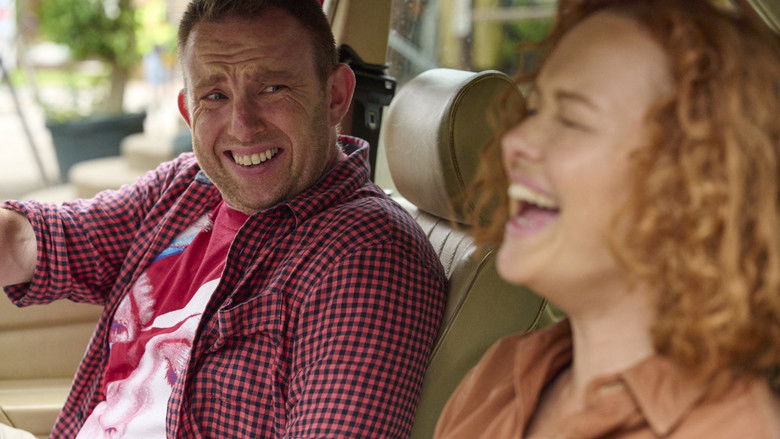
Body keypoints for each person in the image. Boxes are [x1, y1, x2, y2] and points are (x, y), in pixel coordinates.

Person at [0, 0, 447, 437]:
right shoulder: (188, 187)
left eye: (272, 88)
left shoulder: (366, 255)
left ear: (335, 96)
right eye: (215, 96)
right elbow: (29, 242)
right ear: (187, 111)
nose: (242, 126)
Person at [434, 0, 780, 437]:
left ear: (695, 184)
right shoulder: (501, 375)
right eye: (534, 111)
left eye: (572, 120)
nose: (513, 141)